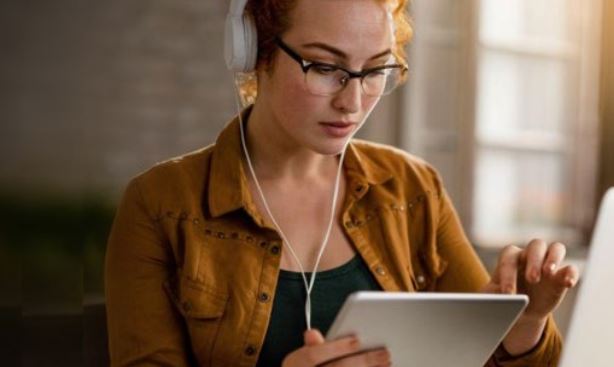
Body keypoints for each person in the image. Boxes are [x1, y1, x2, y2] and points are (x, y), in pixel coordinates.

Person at [104, 0, 578, 366]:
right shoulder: (161, 204)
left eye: (375, 70)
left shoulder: (413, 189)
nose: (353, 102)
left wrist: (528, 319)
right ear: (254, 51)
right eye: (326, 68)